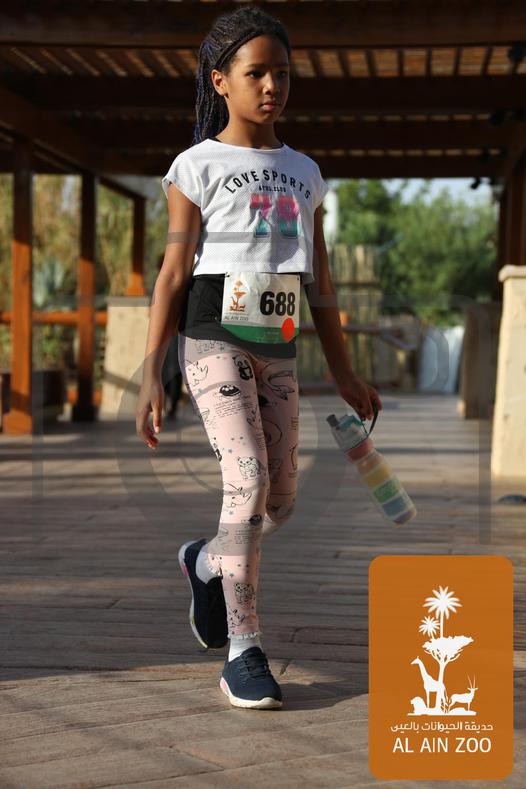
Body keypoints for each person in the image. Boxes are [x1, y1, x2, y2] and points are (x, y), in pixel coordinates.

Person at [136, 4, 382, 710]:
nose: (272, 85)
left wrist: (344, 371)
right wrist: (151, 371)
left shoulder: (306, 172)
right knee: (244, 486)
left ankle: (207, 559)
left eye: (282, 72)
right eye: (255, 73)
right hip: (211, 341)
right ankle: (243, 651)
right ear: (221, 81)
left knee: (278, 501)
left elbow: (319, 282)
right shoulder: (196, 167)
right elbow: (173, 273)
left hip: (278, 350)